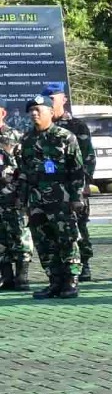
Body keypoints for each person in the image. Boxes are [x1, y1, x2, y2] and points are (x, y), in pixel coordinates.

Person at [20, 92, 86, 298]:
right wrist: (23, 200)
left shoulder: (65, 137)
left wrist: (76, 197)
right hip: (37, 198)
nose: (34, 114)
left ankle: (71, 281)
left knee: (67, 239)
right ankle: (54, 281)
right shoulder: (28, 139)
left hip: (61, 197)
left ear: (50, 111)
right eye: (31, 111)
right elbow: (23, 171)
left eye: (38, 110)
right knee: (44, 242)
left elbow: (76, 169)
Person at [0, 98, 22, 292]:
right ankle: (6, 277)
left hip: (12, 195)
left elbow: (25, 167)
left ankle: (22, 277)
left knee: (19, 236)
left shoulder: (14, 136)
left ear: (3, 113)